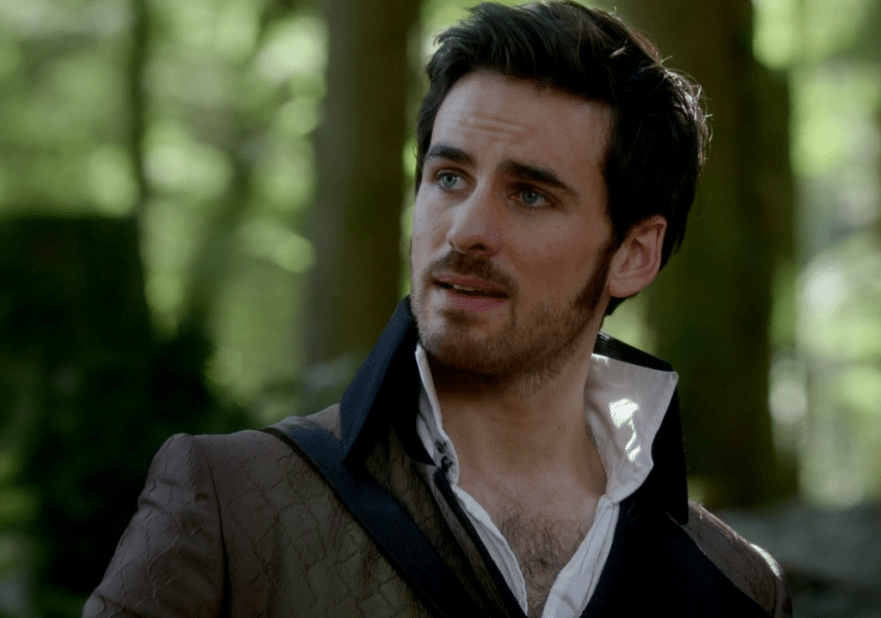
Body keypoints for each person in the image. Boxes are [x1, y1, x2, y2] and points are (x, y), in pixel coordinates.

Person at [84, 2, 792, 617]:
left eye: (530, 195)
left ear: (633, 254)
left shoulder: (736, 587)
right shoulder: (229, 502)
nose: (466, 230)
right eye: (450, 177)